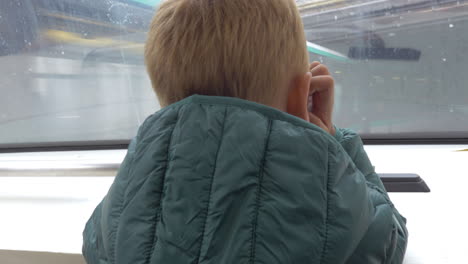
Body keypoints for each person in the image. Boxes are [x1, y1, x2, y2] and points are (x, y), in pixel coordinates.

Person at [82, 0, 408, 263]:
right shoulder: (330, 203)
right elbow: (388, 234)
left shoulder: (121, 205)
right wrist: (332, 139)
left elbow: (95, 241)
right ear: (301, 96)